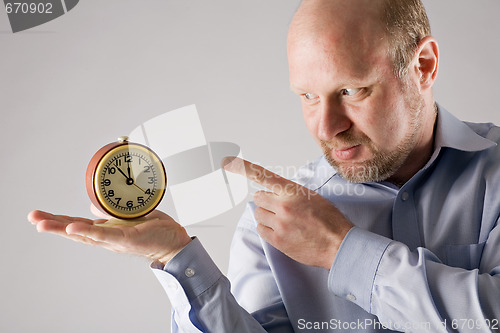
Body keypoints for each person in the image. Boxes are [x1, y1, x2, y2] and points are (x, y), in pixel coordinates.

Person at [29, 0, 500, 332]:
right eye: (307, 96)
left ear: (423, 65)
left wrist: (342, 252)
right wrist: (178, 258)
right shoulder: (275, 218)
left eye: (352, 90)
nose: (327, 126)